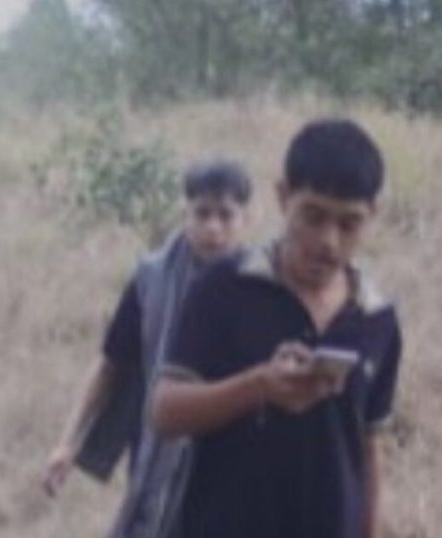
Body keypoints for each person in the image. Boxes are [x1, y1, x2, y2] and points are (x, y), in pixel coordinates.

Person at [152, 118, 402, 538]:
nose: (328, 241)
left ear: (372, 216)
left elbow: (368, 448)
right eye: (313, 216)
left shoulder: (377, 317)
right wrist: (258, 387)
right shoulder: (223, 287)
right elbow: (164, 412)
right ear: (283, 197)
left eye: (349, 224)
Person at [42, 161, 252, 537]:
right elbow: (110, 364)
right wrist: (67, 443)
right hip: (157, 450)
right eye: (202, 214)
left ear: (245, 219)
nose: (213, 228)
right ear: (185, 215)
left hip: (230, 463)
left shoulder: (260, 289)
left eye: (225, 215)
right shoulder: (152, 280)